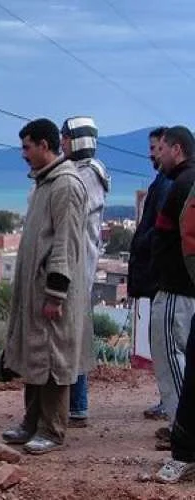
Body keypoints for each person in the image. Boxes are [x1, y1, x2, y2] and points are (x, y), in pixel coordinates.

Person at [2, 118, 89, 455]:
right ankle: (31, 421)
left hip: (53, 293)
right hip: (35, 291)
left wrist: (56, 292)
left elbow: (65, 242)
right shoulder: (45, 183)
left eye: (27, 147)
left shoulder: (66, 185)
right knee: (35, 357)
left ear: (44, 145)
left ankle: (51, 429)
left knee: (53, 358)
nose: (23, 154)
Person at [59, 116, 111, 428]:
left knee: (73, 339)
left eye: (66, 137)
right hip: (80, 267)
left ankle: (77, 404)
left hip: (80, 268)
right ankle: (74, 403)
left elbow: (71, 216)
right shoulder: (83, 172)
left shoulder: (87, 174)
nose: (62, 142)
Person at [149, 126, 195, 452]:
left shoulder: (182, 184)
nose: (157, 155)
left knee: (170, 359)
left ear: (176, 149)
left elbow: (180, 240)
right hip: (183, 290)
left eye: (161, 149)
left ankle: (183, 434)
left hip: (177, 290)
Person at [128, 127, 172, 421]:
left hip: (162, 278)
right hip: (157, 276)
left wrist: (144, 244)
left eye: (156, 148)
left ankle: (171, 406)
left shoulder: (169, 184)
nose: (151, 154)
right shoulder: (163, 182)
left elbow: (161, 229)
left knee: (167, 345)